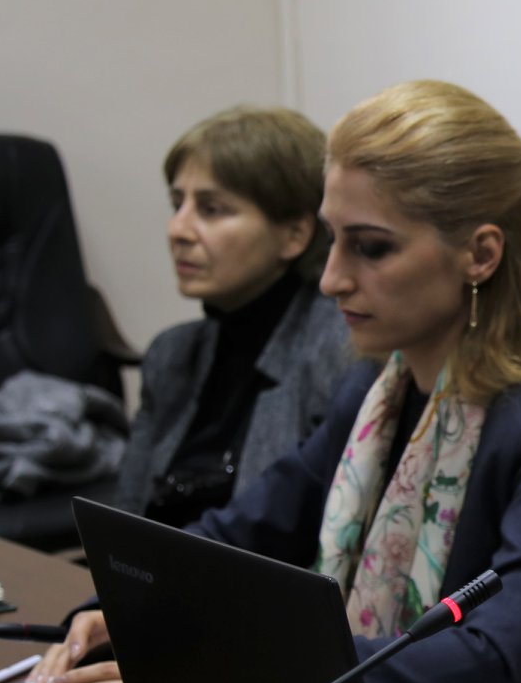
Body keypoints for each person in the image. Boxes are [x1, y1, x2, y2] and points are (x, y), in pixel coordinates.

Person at [34, 81, 521, 683]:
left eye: (370, 247)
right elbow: (240, 535)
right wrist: (124, 605)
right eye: (333, 240)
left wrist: (219, 673)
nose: (331, 278)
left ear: (480, 255)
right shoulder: (376, 388)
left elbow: (497, 660)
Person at [115, 106, 354, 529]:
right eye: (177, 204)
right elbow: (124, 523)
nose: (178, 229)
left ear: (295, 234)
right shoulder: (171, 353)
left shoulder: (337, 349)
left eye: (211, 209)